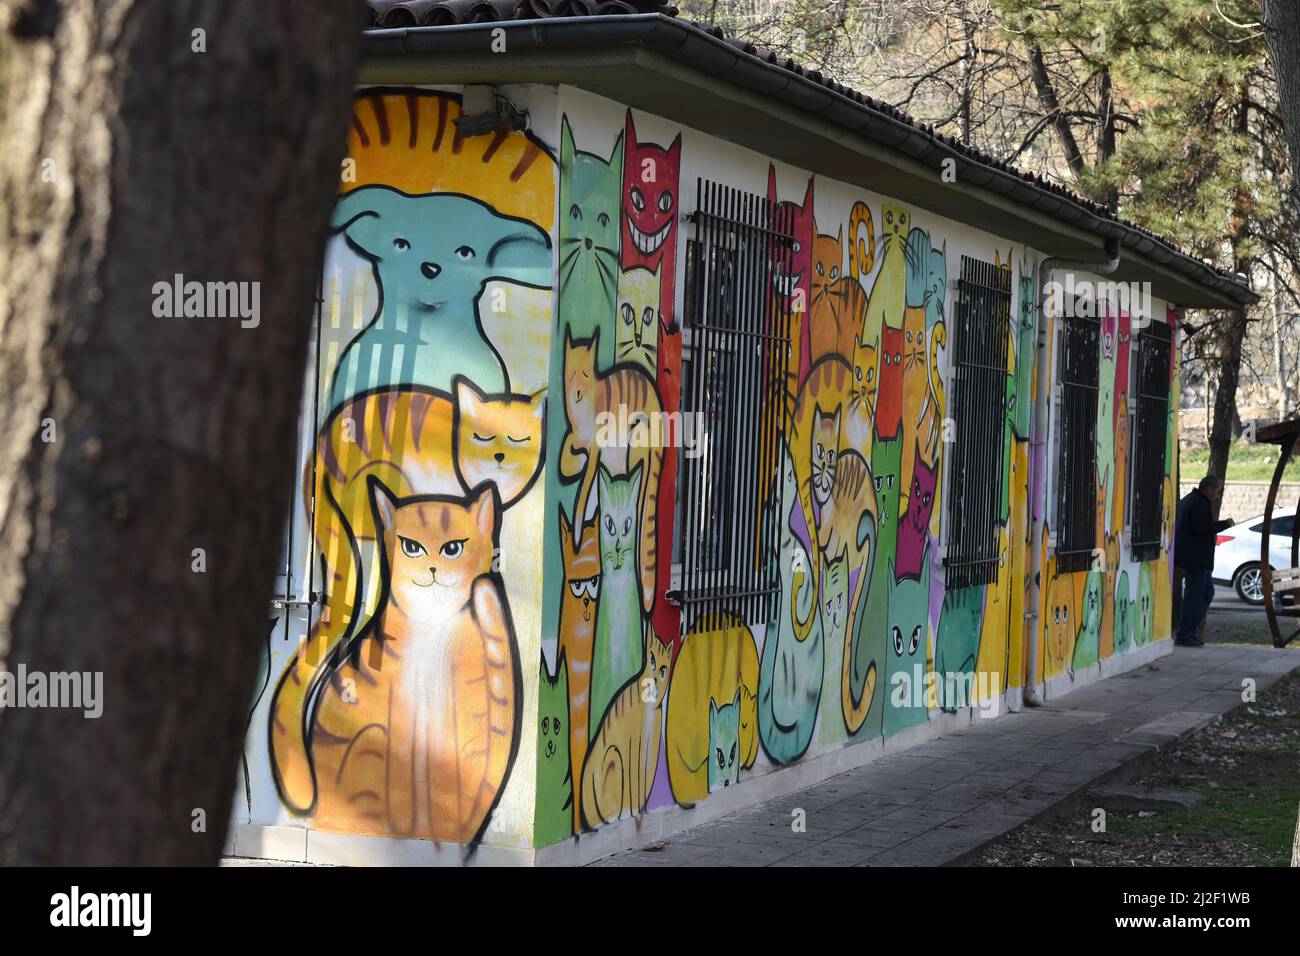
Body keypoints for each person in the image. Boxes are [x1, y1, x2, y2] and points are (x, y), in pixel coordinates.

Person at [1174, 475, 1234, 647]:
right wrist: (1225, 524)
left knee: (1206, 592)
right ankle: (1185, 632)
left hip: (1195, 558)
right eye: (1216, 492)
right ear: (1208, 489)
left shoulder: (1190, 500)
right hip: (1196, 559)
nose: (1217, 496)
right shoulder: (1197, 504)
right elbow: (1203, 528)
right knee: (1196, 596)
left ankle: (1188, 630)